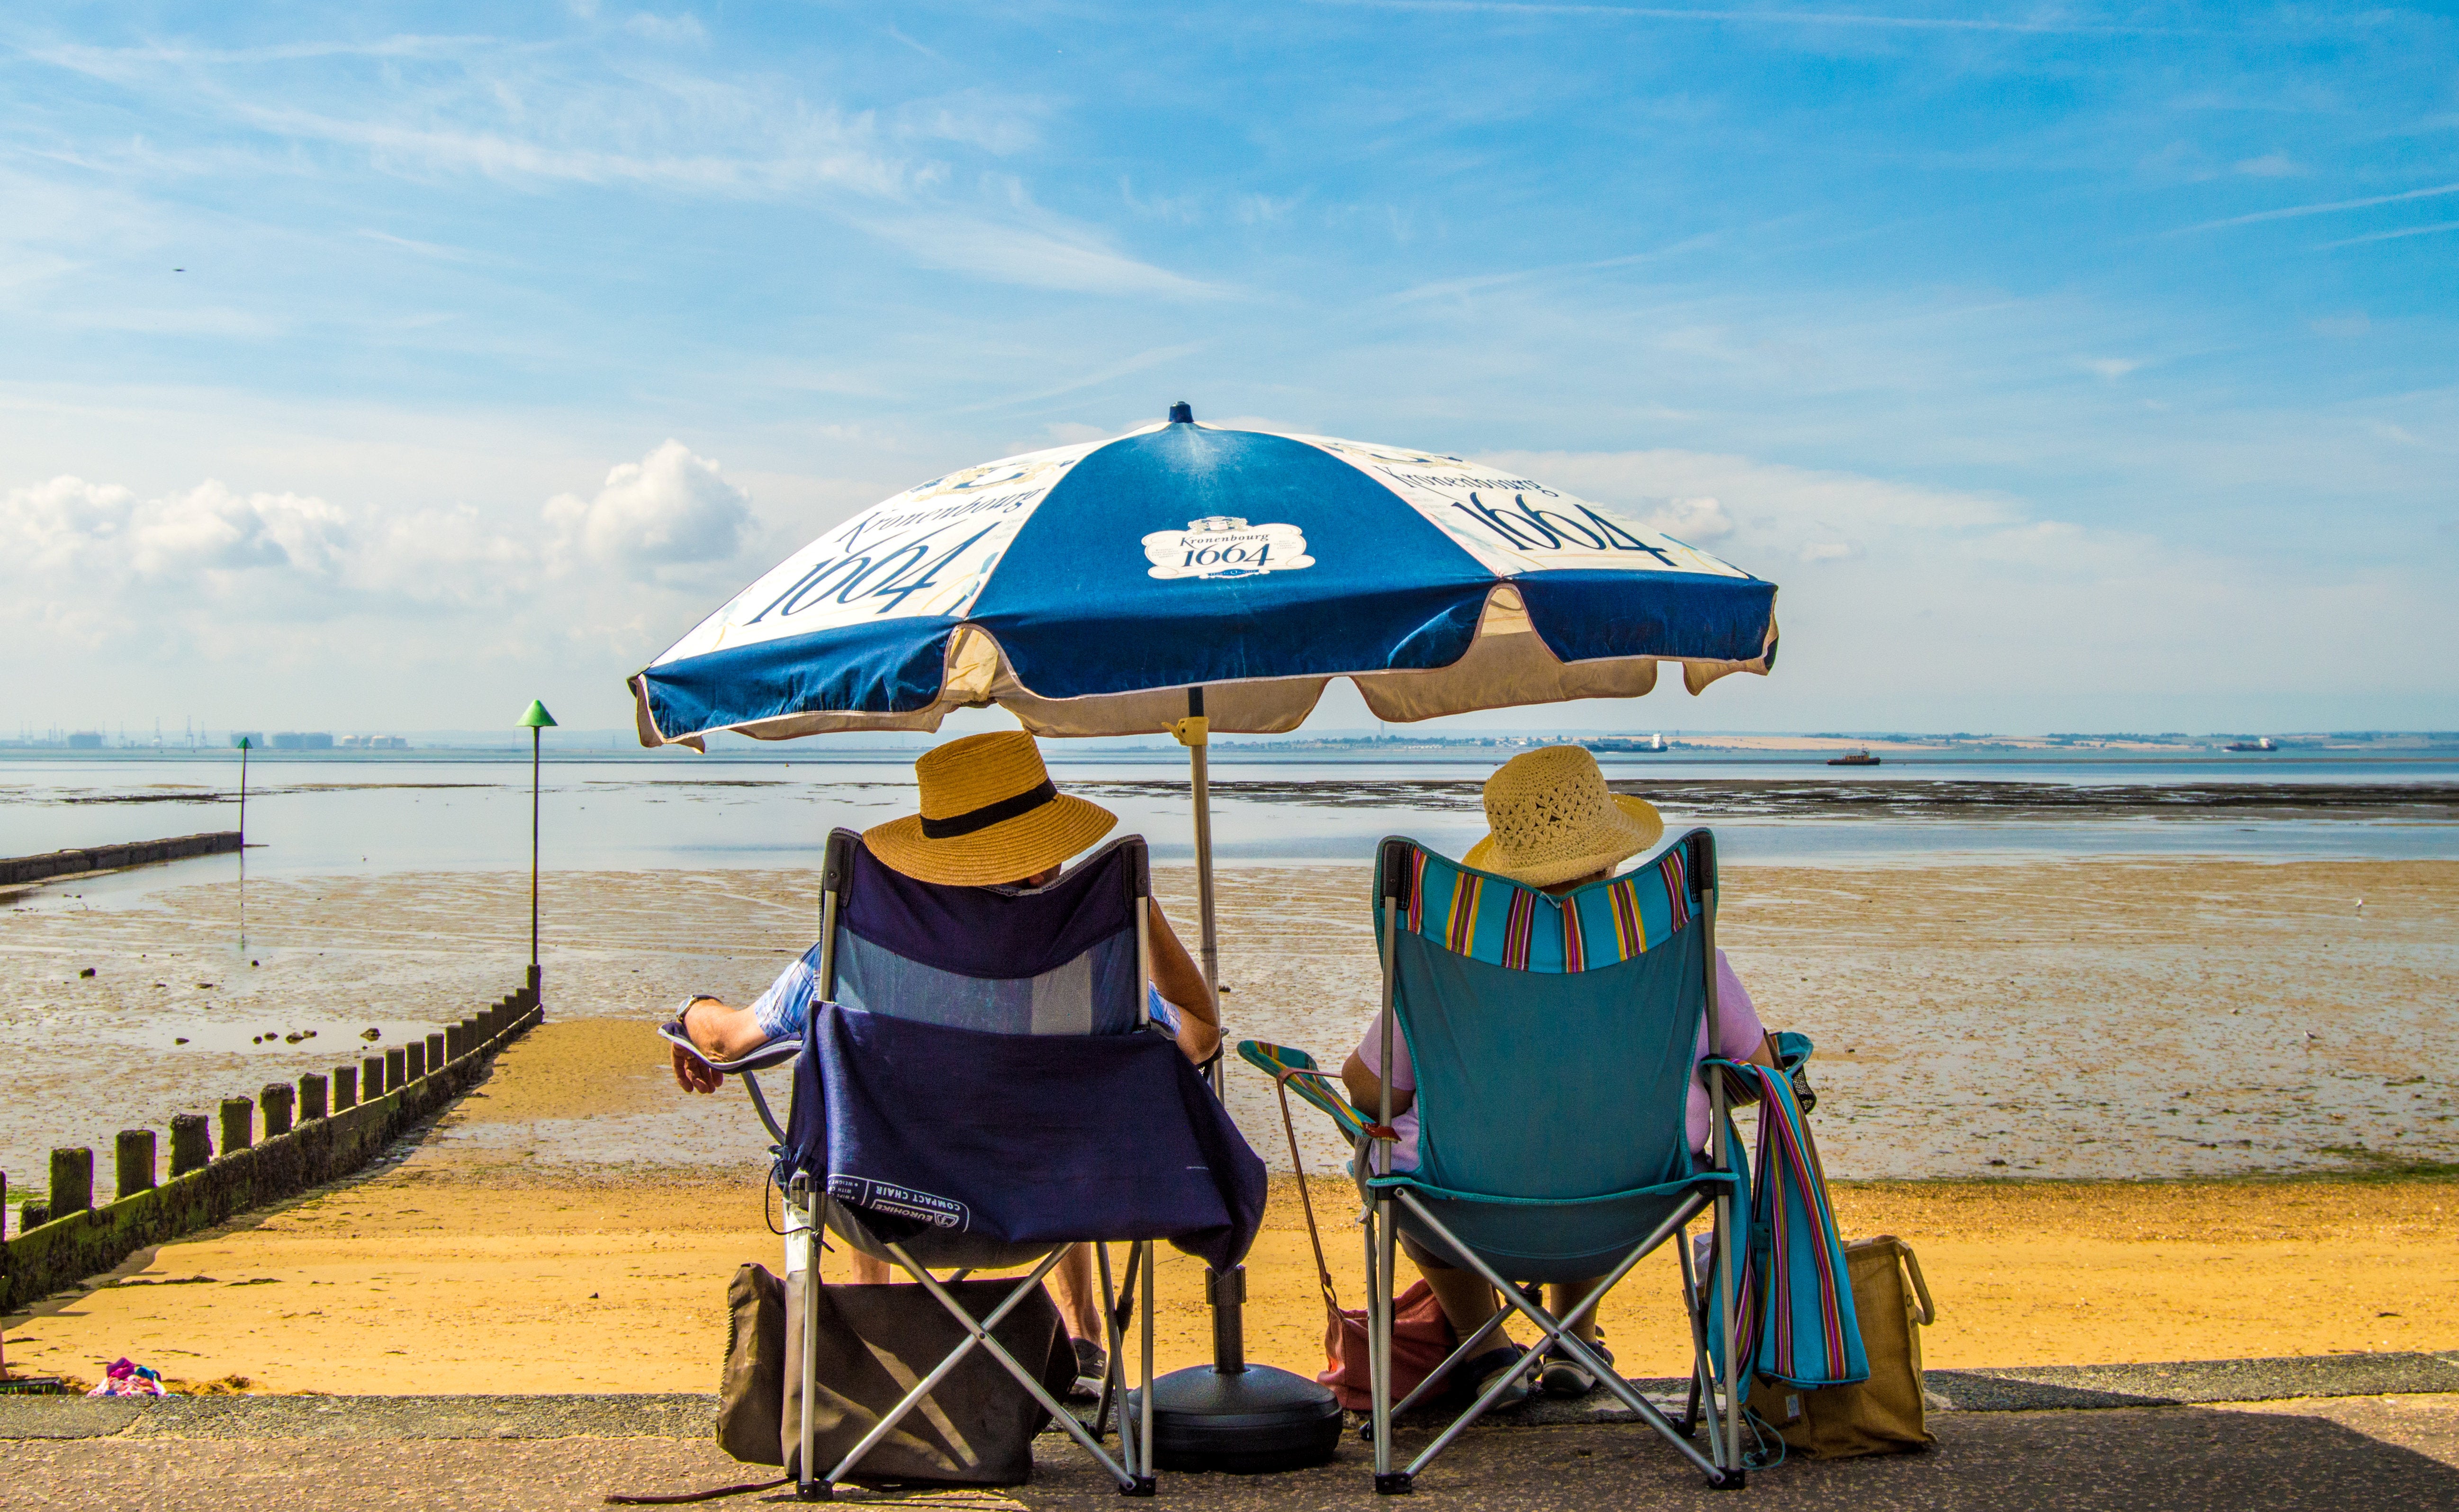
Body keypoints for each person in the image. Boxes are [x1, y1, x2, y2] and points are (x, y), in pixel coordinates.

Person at [670, 729, 1221, 1398]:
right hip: (1046, 1210)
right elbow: (1201, 1036)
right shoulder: (1087, 971)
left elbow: (730, 1041)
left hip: (888, 1215)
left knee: (858, 1132)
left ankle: (874, 1351)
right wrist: (1139, 920)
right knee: (1056, 1121)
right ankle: (1083, 1344)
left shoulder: (853, 958)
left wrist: (689, 1011)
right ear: (1046, 855)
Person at [1340, 744, 1778, 1406]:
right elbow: (1759, 1070)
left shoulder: (1452, 962)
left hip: (1462, 1209)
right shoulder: (1681, 954)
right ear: (1613, 855)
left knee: (1385, 1153)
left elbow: (1374, 1089)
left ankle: (1486, 1348)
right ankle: (1574, 1340)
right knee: (1593, 1130)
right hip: (1640, 1201)